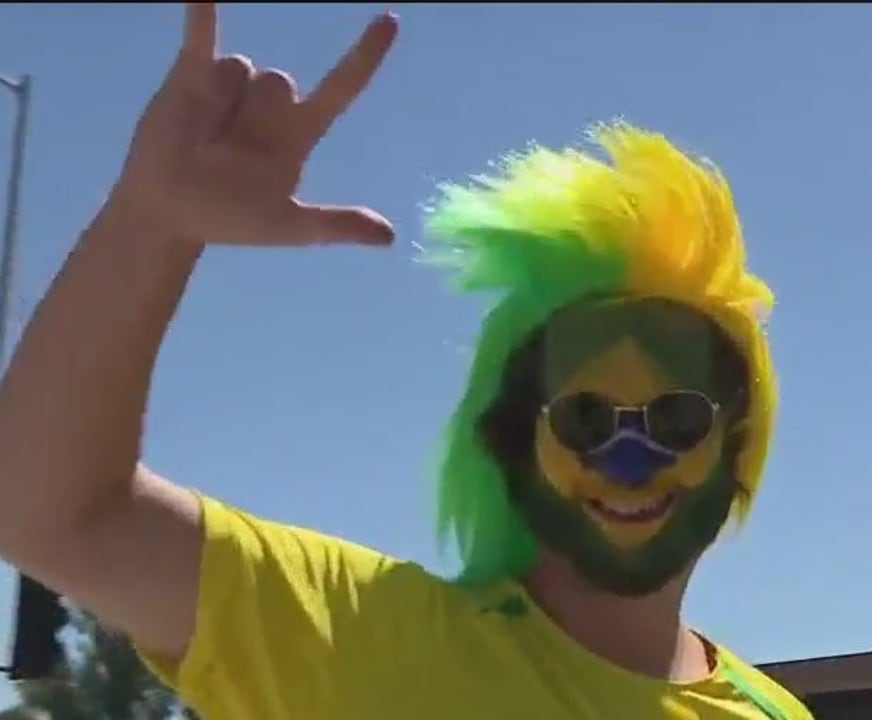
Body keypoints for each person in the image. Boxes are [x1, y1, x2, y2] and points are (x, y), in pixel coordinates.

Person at [0, 4, 811, 719]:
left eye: (675, 418)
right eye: (586, 417)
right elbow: (53, 513)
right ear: (506, 439)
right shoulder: (364, 642)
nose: (630, 458)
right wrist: (149, 223)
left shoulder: (769, 712)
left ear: (739, 443)